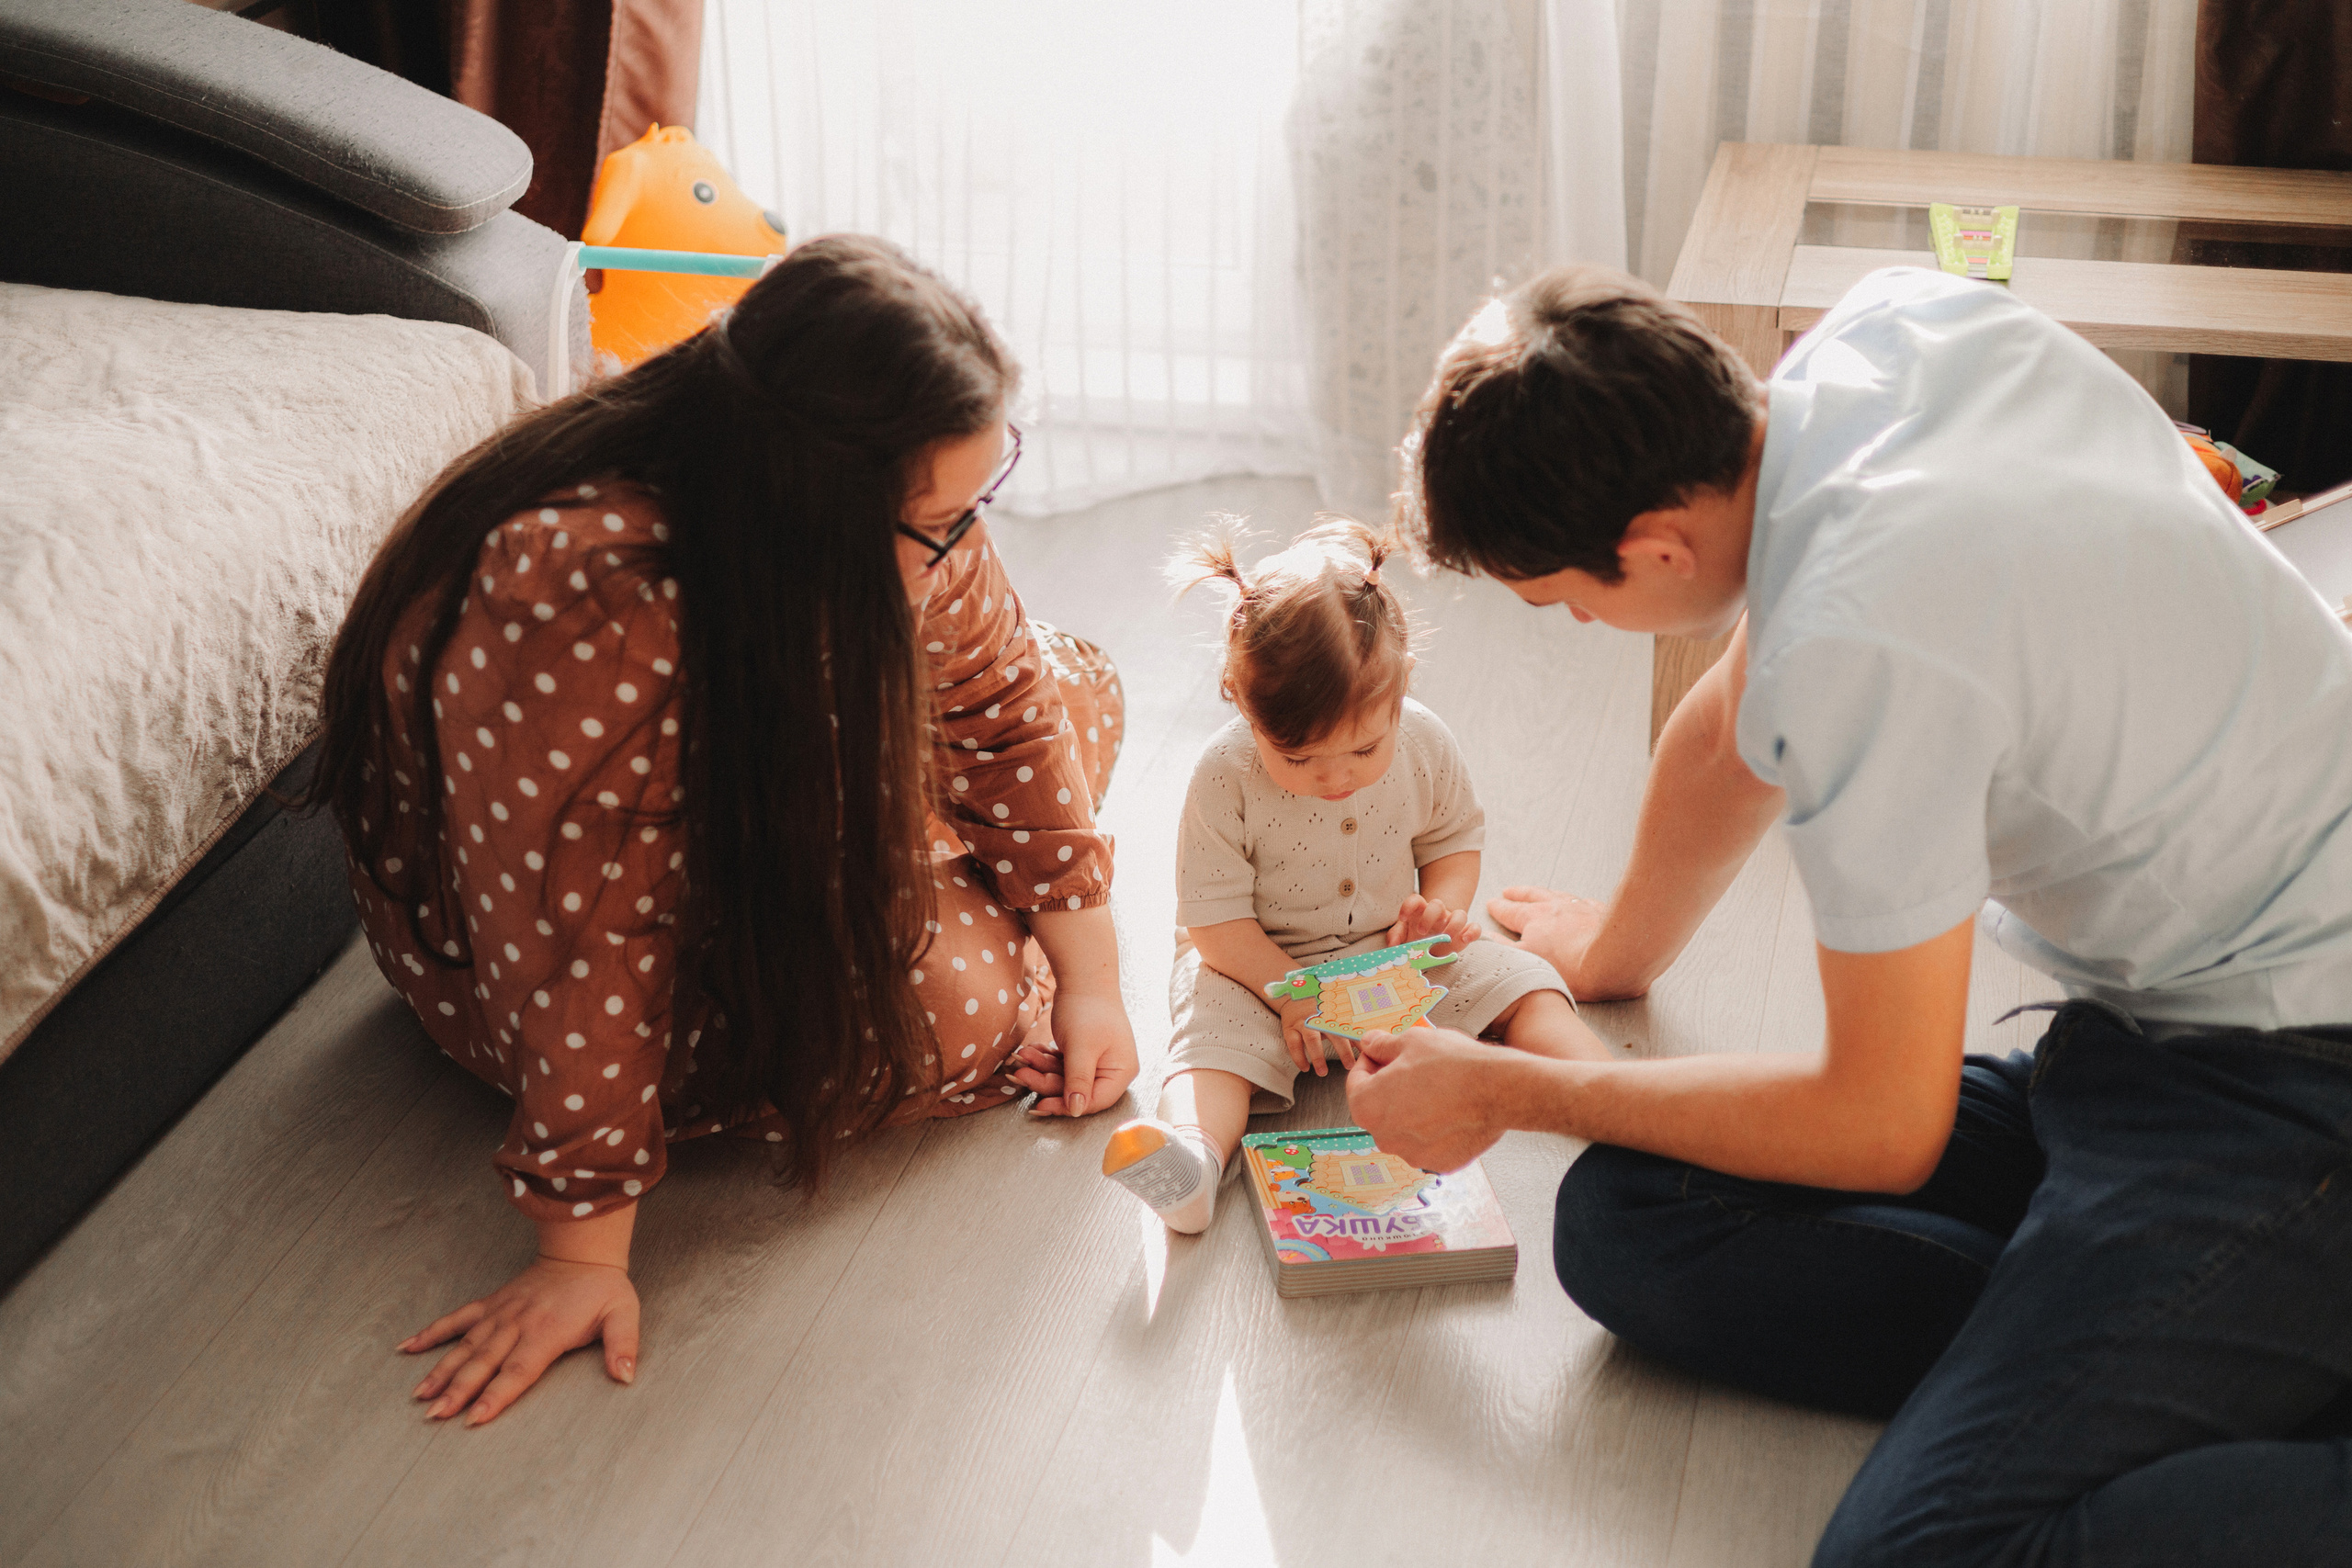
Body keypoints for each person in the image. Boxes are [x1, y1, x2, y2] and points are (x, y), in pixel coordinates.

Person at [1355, 263, 2352, 1564]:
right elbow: (1728, 726)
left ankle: (2224, 1338)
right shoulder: (1888, 333)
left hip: (2294, 1093)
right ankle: (2210, 1341)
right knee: (1627, 1218)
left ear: (1656, 547)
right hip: (2152, 1041)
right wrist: (1609, 951)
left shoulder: (1863, 636)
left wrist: (1509, 1088)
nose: (1581, 620)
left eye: (1566, 598)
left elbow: (1882, 1123)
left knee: (1916, 1551)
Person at [303, 235, 1139, 1427]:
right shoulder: (584, 594)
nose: (961, 543)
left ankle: (935, 872)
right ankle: (935, 884)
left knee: (1072, 685)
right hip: (542, 950)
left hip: (758, 801)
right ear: (810, 504)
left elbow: (1000, 704)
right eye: (937, 523)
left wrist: (1093, 980)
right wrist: (581, 1253)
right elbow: (583, 939)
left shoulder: (896, 510)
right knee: (962, 1003)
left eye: (977, 503)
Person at [1100, 520, 1608, 1235]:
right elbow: (1215, 925)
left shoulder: (1425, 740)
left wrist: (1437, 913)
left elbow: (1453, 839)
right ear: (1240, 700)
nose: (1336, 777)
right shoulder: (1223, 774)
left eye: (1365, 749)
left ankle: (1602, 1090)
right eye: (1299, 759)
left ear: (1403, 689)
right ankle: (1195, 1158)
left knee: (1519, 977)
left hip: (1392, 954)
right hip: (1258, 968)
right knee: (1210, 1036)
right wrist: (1291, 991)